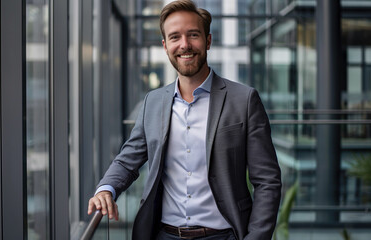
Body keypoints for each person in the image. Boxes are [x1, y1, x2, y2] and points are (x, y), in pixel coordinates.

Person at [88, 0, 282, 239]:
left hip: (224, 235)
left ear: (208, 41)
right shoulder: (153, 102)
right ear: (165, 45)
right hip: (164, 235)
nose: (185, 45)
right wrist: (106, 189)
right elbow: (127, 161)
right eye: (175, 37)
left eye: (193, 35)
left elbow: (267, 182)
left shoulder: (244, 100)